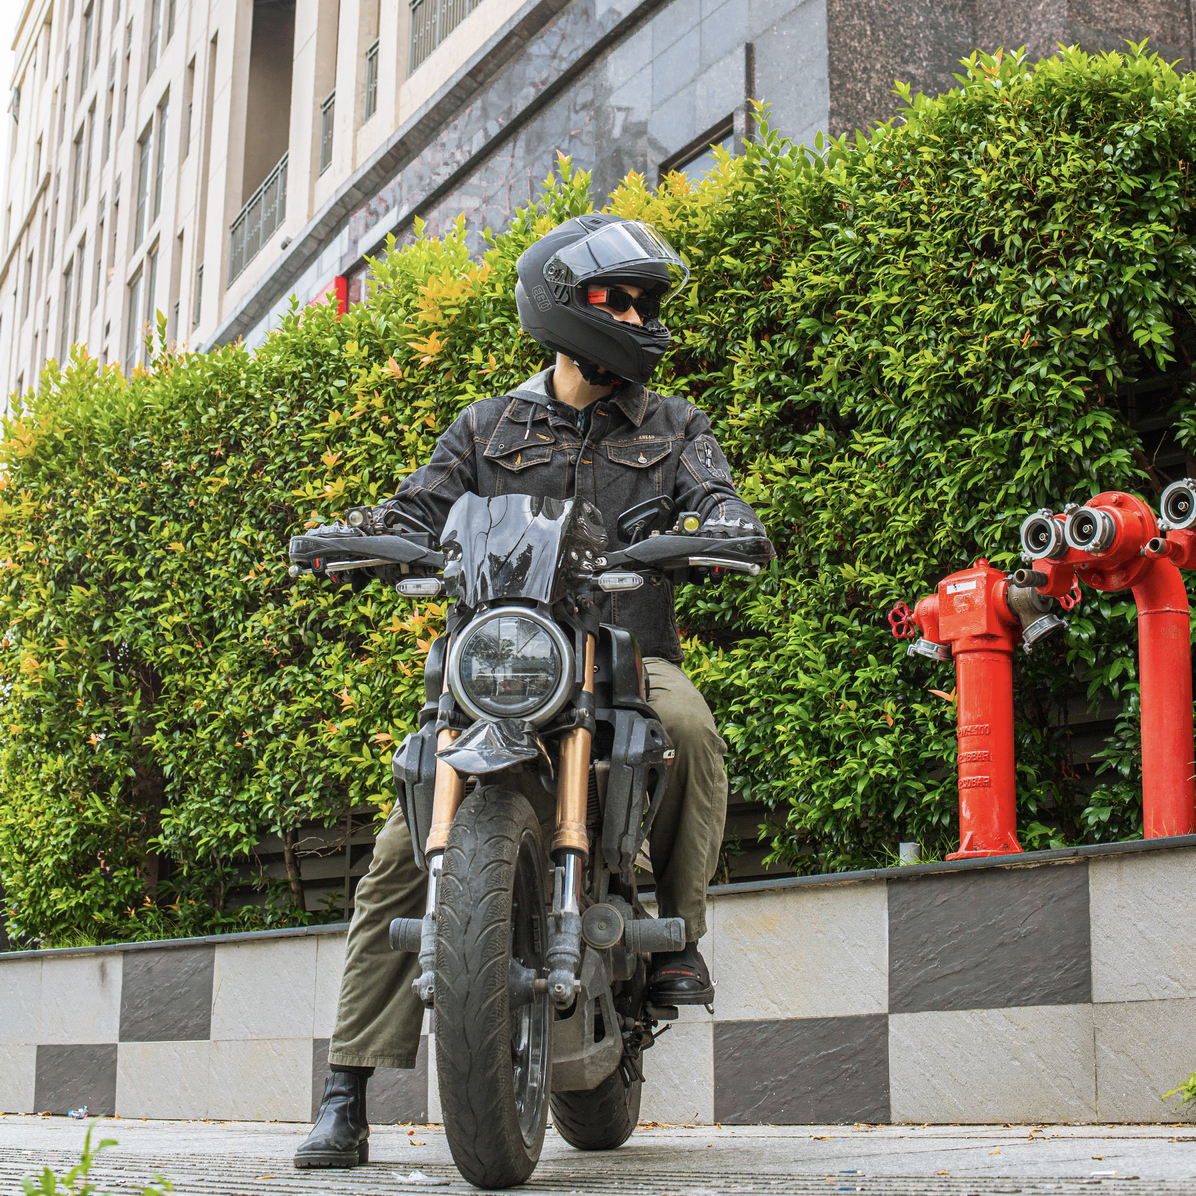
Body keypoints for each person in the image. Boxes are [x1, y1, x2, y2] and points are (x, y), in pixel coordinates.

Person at [295, 213, 773, 1168]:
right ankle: (347, 1088)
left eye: (642, 303)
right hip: (503, 661)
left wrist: (722, 524)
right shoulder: (488, 426)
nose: (635, 317)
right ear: (562, 309)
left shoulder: (675, 426)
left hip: (625, 657)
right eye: (615, 300)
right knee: (397, 849)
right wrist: (360, 535)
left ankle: (677, 938)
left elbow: (714, 497)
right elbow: (417, 505)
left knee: (688, 726)